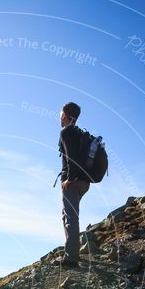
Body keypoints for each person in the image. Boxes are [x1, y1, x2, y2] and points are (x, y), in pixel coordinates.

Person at [57, 101, 90, 268]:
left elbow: (71, 158)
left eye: (61, 113)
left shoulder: (66, 133)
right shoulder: (79, 133)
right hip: (85, 182)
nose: (59, 116)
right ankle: (72, 252)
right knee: (68, 215)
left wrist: (69, 179)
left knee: (70, 217)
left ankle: (71, 258)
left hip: (73, 182)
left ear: (65, 116)